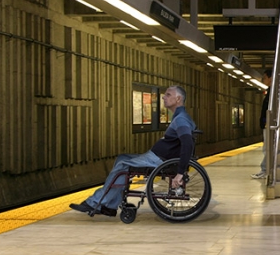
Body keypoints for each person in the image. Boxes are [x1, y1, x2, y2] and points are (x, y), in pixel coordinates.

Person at [69, 85, 197, 217]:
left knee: (122, 165)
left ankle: (95, 202)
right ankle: (110, 206)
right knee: (122, 158)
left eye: (168, 95)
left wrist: (180, 173)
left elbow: (187, 143)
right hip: (159, 157)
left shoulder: (181, 119)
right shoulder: (181, 116)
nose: (164, 97)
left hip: (159, 160)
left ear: (178, 99)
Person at [251, 69, 273, 179]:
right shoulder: (270, 91)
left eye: (264, 78)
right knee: (266, 148)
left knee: (266, 148)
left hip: (268, 123)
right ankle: (265, 169)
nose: (263, 80)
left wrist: (265, 121)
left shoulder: (272, 92)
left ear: (270, 78)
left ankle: (265, 170)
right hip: (266, 123)